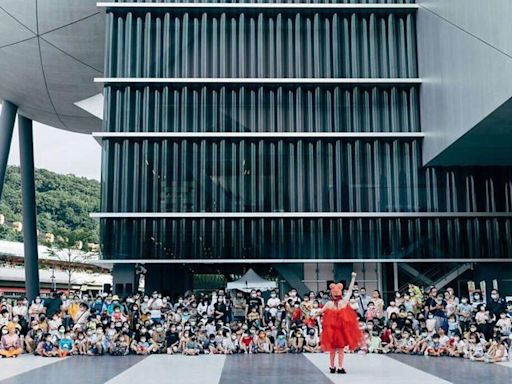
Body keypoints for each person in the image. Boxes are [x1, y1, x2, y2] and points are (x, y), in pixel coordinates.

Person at [320, 272, 363, 374]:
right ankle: (340, 367)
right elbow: (350, 290)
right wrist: (353, 278)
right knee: (340, 349)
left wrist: (312, 316)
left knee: (332, 349)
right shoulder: (344, 302)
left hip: (331, 330)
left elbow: (320, 312)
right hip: (341, 330)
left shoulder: (329, 303)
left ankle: (331, 366)